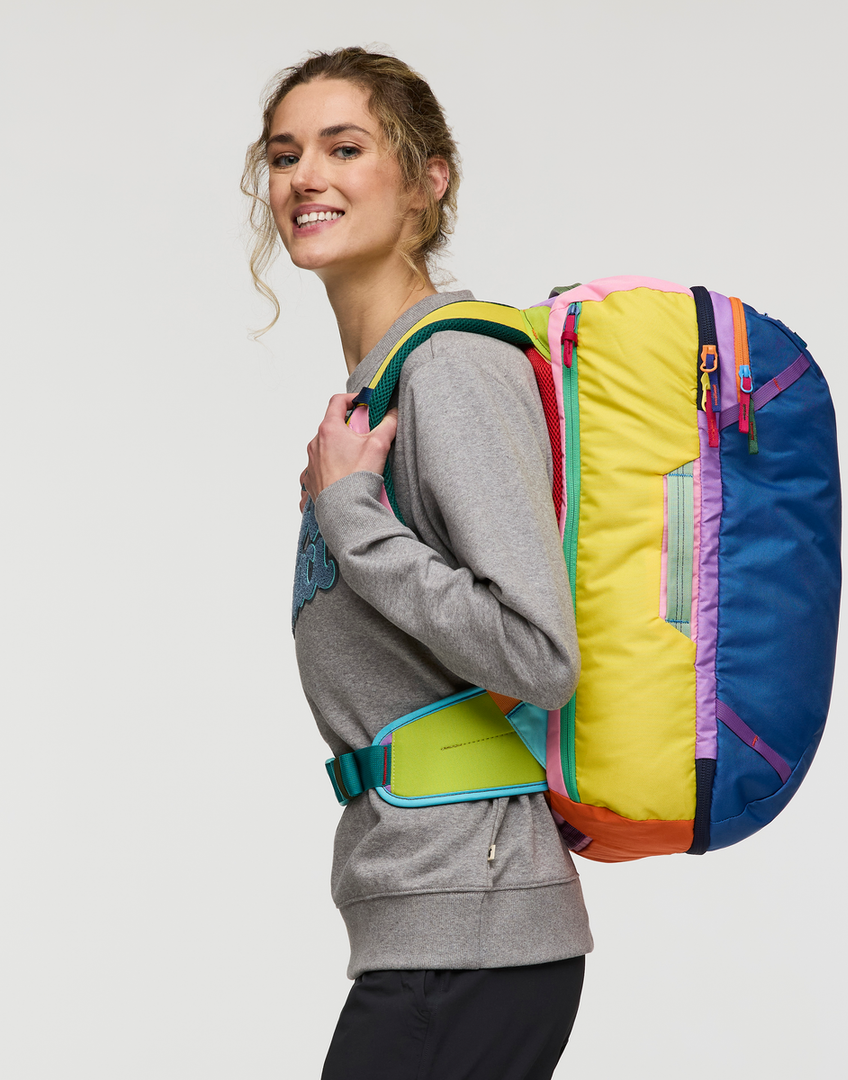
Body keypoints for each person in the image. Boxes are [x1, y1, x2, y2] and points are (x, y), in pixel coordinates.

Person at [241, 48, 592, 1080]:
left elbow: (539, 652)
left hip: (473, 931)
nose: (308, 176)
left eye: (345, 147)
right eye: (285, 154)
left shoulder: (450, 366)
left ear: (429, 177)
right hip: (431, 920)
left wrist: (354, 516)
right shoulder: (380, 383)